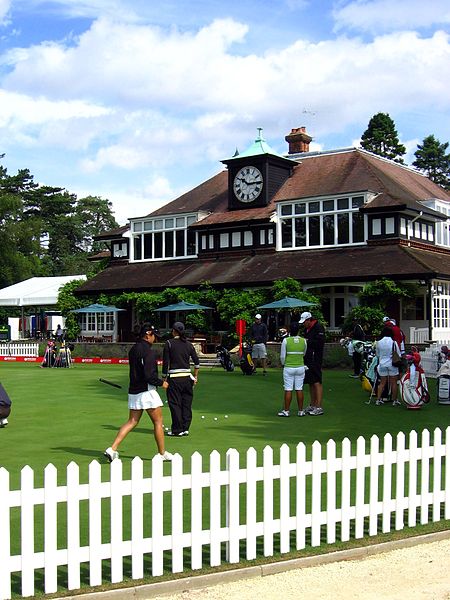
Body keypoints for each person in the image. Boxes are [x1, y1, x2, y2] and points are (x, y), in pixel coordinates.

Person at [104, 323, 172, 462]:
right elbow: (149, 375)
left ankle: (112, 449)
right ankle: (161, 453)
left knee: (132, 421)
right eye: (154, 335)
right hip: (146, 391)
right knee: (158, 421)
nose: (155, 339)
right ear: (148, 335)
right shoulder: (149, 352)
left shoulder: (134, 349)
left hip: (134, 391)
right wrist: (162, 383)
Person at [162, 321, 200, 437]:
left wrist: (164, 378)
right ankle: (185, 428)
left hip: (174, 378)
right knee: (186, 404)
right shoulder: (189, 344)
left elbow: (166, 363)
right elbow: (197, 363)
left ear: (174, 331)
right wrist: (195, 376)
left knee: (175, 404)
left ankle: (177, 429)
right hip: (187, 379)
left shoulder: (169, 343)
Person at [277, 321, 307, 417]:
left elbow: (282, 356)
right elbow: (304, 353)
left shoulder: (286, 340)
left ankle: (286, 411)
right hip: (300, 367)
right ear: (298, 330)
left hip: (289, 367)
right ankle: (301, 411)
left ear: (290, 330)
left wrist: (283, 364)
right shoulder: (304, 341)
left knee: (288, 389)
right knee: (299, 388)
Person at [299, 311, 325, 416]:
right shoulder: (307, 329)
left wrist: (306, 341)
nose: (303, 324)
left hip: (316, 358)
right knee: (310, 381)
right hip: (308, 358)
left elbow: (319, 343)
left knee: (316, 381)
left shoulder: (318, 327)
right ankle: (312, 404)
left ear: (309, 320)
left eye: (305, 321)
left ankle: (318, 406)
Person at [375, 326, 401, 406]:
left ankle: (378, 399)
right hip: (392, 364)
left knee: (382, 383)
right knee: (394, 383)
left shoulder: (379, 342)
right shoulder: (393, 342)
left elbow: (377, 354)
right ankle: (394, 400)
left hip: (382, 364)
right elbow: (398, 354)